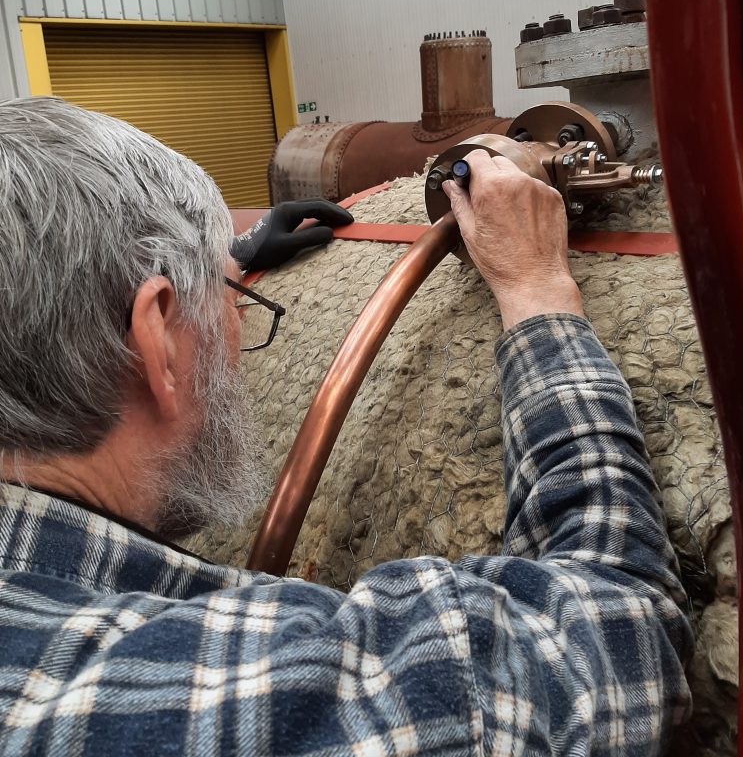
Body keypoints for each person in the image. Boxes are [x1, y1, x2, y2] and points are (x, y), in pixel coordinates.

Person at [0, 96, 691, 755]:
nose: (238, 316)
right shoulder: (231, 702)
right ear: (156, 340)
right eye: (231, 299)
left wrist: (224, 263)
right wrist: (537, 289)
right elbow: (616, 634)